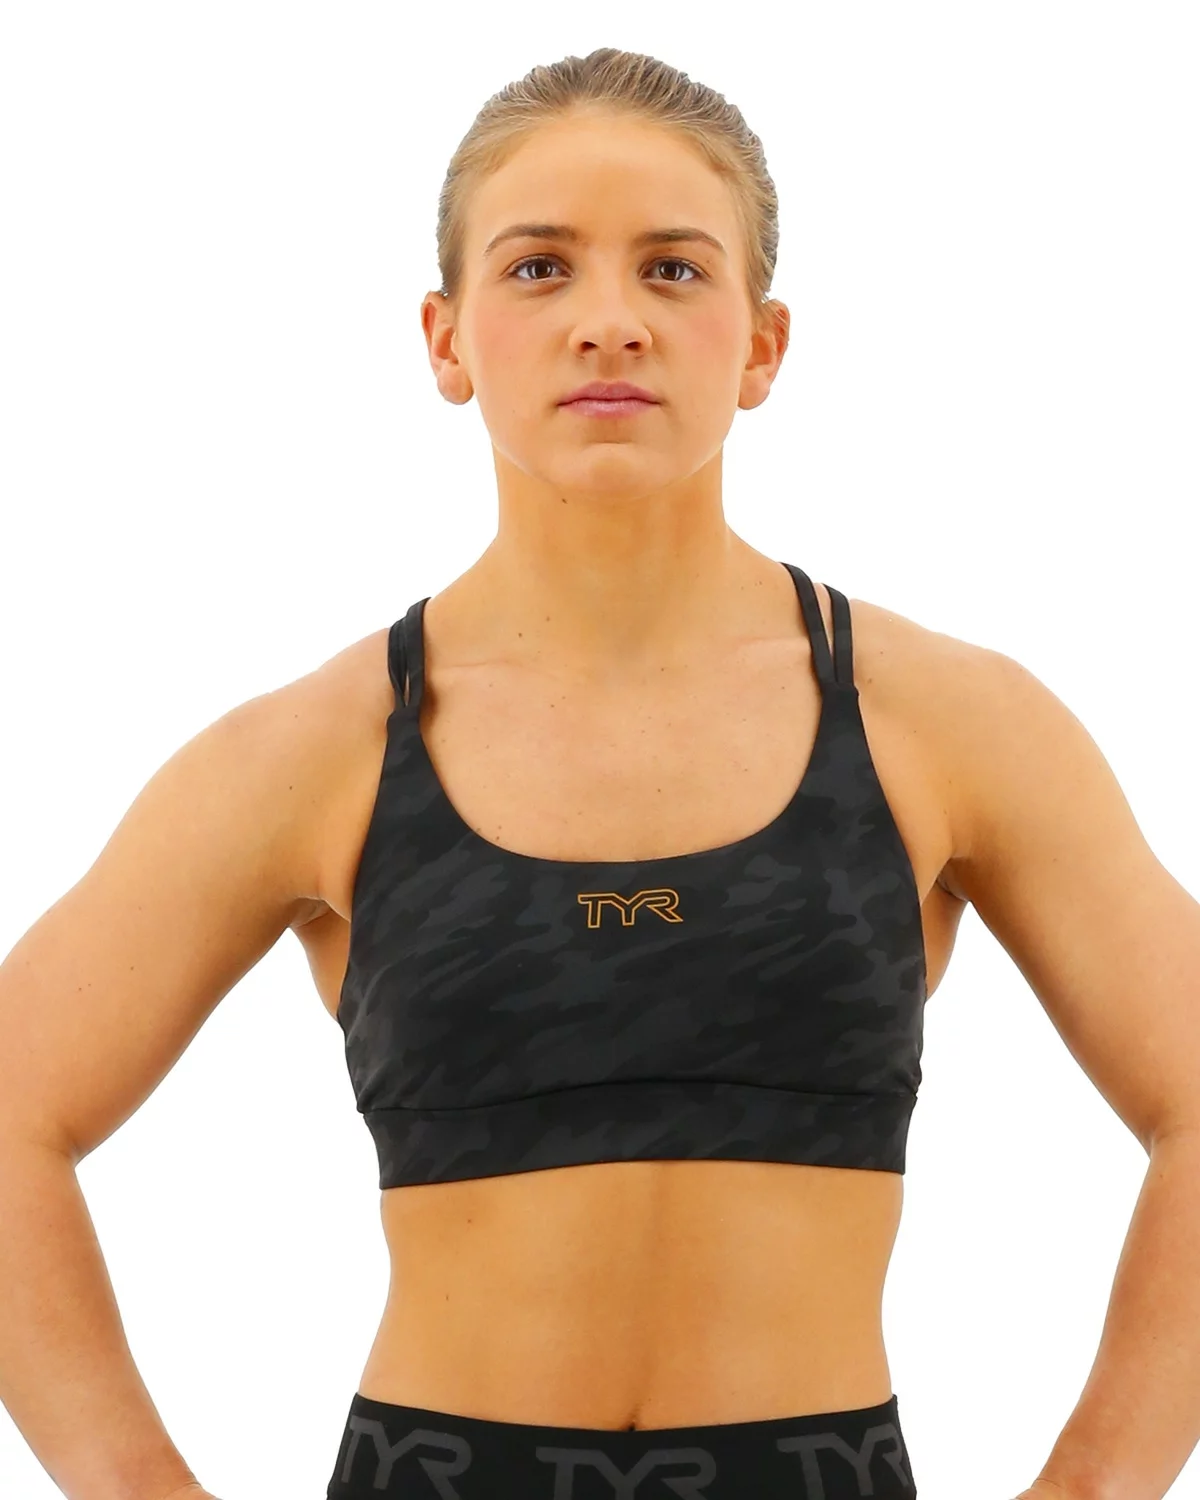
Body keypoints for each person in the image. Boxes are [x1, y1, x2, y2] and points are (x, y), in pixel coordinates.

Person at [3, 45, 1198, 1500]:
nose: (610, 321)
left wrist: (1094, 1486)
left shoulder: (944, 723)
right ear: (447, 339)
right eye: (540, 268)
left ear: (761, 346)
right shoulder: (322, 749)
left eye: (674, 270)